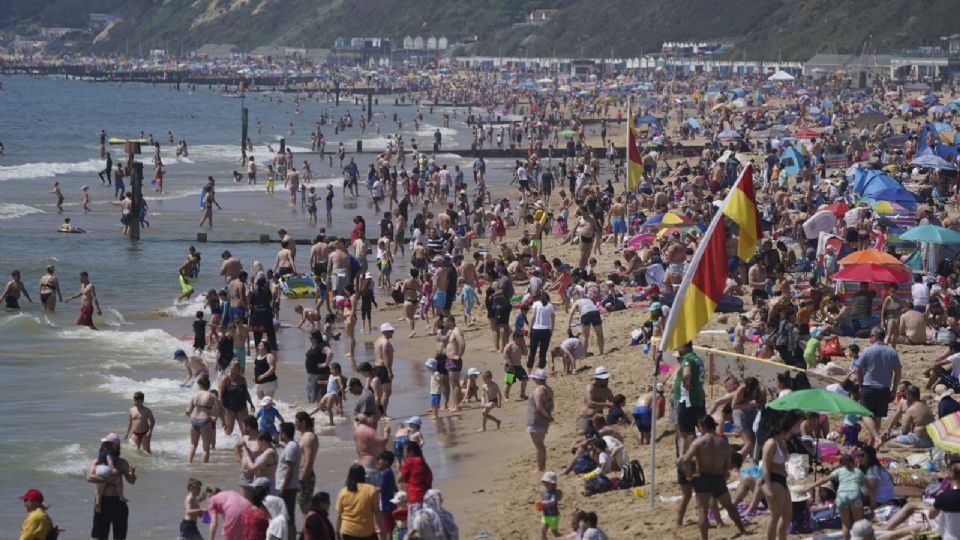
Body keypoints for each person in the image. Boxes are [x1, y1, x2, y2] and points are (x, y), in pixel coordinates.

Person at [678, 415, 749, 540]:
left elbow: (685, 460)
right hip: (717, 477)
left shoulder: (699, 442)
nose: (699, 429)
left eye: (700, 427)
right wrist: (725, 472)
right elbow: (727, 462)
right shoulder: (722, 442)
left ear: (704, 427)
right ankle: (742, 530)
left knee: (702, 510)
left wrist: (689, 475)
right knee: (729, 506)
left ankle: (704, 538)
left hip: (702, 477)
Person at [806, 453, 871, 540]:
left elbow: (823, 479)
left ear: (841, 464)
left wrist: (810, 486)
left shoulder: (839, 471)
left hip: (841, 496)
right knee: (858, 522)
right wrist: (873, 500)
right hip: (854, 494)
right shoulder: (858, 471)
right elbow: (869, 487)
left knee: (845, 524)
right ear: (853, 462)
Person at [856, 327, 902, 447]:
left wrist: (860, 385)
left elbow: (858, 370)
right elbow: (898, 372)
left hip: (869, 387)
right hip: (884, 388)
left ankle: (876, 437)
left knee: (865, 414)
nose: (869, 338)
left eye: (870, 336)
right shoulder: (892, 351)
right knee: (877, 417)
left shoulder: (867, 351)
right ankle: (872, 444)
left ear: (875, 337)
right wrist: (894, 389)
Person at [86, 433, 136, 540]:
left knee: (120, 537)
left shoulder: (121, 462)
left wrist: (132, 473)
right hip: (102, 503)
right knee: (99, 537)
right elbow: (89, 477)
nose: (106, 446)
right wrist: (109, 480)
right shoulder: (96, 461)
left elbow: (131, 481)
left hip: (118, 503)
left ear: (116, 446)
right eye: (105, 444)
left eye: (109, 444)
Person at [761, 412, 801, 540]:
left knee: (787, 515)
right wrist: (768, 488)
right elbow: (765, 467)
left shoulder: (782, 443)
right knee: (775, 515)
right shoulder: (771, 443)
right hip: (773, 480)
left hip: (782, 480)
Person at [674, 342, 706, 457]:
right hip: (697, 398)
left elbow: (686, 374)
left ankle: (687, 458)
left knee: (686, 434)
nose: (677, 348)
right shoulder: (698, 359)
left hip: (687, 400)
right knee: (702, 430)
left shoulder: (687, 359)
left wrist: (686, 384)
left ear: (685, 346)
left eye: (679, 346)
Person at [336, 464, 381, 540]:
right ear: (363, 474)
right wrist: (378, 528)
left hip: (347, 530)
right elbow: (376, 511)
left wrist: (337, 533)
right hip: (365, 530)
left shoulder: (343, 492)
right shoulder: (371, 490)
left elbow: (339, 515)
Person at [275, 422, 301, 540]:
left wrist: (282, 488)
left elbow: (289, 470)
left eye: (280, 432)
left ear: (284, 434)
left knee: (288, 518)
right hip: (286, 487)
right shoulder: (290, 446)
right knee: (286, 517)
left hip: (287, 488)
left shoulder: (291, 446)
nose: (279, 434)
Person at [527, 369, 555, 472]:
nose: (533, 380)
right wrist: (548, 416)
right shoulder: (549, 389)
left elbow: (539, 407)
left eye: (534, 378)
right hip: (543, 420)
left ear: (538, 379)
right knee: (540, 444)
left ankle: (540, 468)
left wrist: (548, 416)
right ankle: (541, 466)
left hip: (536, 419)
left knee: (539, 445)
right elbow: (551, 405)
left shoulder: (539, 390)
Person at [186, 376, 220, 463]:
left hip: (193, 420)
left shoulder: (194, 395)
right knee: (206, 447)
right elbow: (216, 411)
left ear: (200, 385)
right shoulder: (211, 396)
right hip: (205, 421)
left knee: (193, 445)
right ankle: (203, 468)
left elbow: (188, 410)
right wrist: (213, 418)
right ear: (208, 385)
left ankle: (189, 463)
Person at [399, 441, 433, 517]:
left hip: (414, 496)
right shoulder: (422, 461)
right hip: (424, 495)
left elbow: (400, 479)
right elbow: (429, 477)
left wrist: (402, 463)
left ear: (411, 451)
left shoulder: (410, 461)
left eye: (405, 451)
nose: (404, 454)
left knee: (414, 523)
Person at [296, 412, 319, 514]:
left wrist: (301, 480)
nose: (295, 423)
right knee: (303, 506)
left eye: (296, 421)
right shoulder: (305, 436)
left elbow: (308, 460)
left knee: (305, 507)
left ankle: (310, 528)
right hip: (303, 475)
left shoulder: (308, 437)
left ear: (303, 422)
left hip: (305, 476)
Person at [567, 291, 604, 355]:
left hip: (585, 313)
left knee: (585, 336)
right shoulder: (588, 300)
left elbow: (571, 313)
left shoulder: (576, 302)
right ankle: (601, 352)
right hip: (595, 312)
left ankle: (583, 354)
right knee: (600, 335)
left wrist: (568, 326)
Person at [528, 292, 556, 370]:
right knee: (543, 352)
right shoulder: (551, 306)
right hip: (546, 331)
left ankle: (529, 371)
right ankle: (540, 371)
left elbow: (533, 317)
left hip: (536, 330)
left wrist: (530, 329)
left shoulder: (536, 304)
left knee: (532, 352)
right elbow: (553, 320)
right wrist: (551, 331)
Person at [374, 323, 396, 417]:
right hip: (383, 369)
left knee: (380, 393)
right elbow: (385, 358)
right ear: (385, 332)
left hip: (376, 368)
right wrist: (389, 371)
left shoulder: (378, 340)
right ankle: (383, 415)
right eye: (391, 331)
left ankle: (379, 414)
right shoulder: (385, 343)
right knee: (386, 393)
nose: (392, 333)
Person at [539, 471, 562, 540]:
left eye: (547, 482)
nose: (545, 484)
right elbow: (543, 503)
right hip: (546, 515)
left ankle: (563, 538)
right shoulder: (545, 492)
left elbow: (553, 501)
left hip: (553, 515)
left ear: (553, 484)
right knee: (543, 530)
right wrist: (540, 506)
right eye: (544, 482)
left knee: (554, 531)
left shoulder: (553, 493)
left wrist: (544, 503)